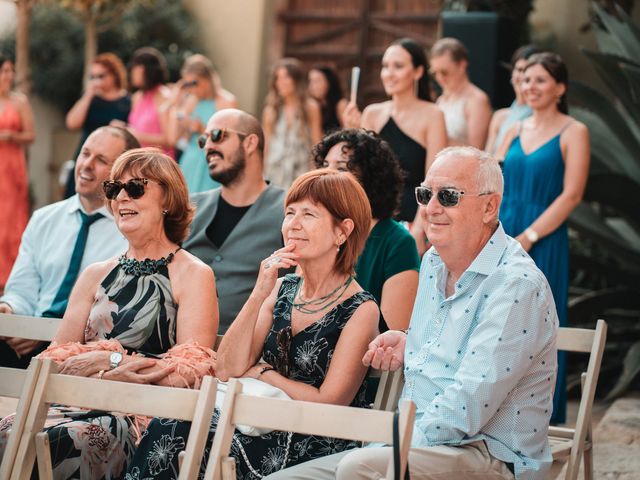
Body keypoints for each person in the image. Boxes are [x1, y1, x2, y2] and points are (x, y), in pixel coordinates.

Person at [266, 146, 558, 480]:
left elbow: (467, 408)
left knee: (356, 468)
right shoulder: (434, 261)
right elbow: (449, 349)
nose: (431, 208)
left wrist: (387, 440)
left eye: (448, 196)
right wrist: (409, 341)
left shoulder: (516, 286)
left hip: (488, 453)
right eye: (425, 194)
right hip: (411, 441)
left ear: (489, 206)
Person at [129, 168, 379, 479]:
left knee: (191, 436)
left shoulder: (361, 308)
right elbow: (227, 368)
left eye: (309, 214)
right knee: (171, 424)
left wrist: (263, 372)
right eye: (289, 213)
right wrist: (259, 292)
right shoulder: (281, 289)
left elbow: (330, 402)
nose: (293, 225)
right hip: (258, 422)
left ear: (342, 231)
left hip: (314, 439)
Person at [0, 148, 219, 480]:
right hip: (71, 405)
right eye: (114, 188)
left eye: (136, 188)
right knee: (8, 434)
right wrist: (104, 370)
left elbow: (191, 368)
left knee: (59, 443)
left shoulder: (193, 273)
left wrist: (110, 361)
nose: (121, 198)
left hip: (137, 417)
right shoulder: (96, 273)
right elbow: (56, 357)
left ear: (167, 200)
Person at [496, 52, 590, 424]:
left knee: (541, 323)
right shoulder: (512, 129)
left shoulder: (574, 131)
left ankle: (539, 421)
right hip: (506, 233)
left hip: (544, 237)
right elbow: (497, 182)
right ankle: (500, 413)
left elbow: (572, 195)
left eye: (540, 80)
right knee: (500, 319)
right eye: (525, 79)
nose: (529, 86)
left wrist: (531, 236)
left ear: (560, 88)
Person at [0, 126, 139, 369]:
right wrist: (11, 309)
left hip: (88, 351)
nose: (86, 164)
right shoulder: (44, 218)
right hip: (23, 341)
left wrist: (48, 334)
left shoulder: (131, 232)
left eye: (101, 160)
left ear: (124, 175)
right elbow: (22, 290)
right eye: (85, 154)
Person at [183, 108, 287, 333]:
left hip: (249, 354)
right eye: (204, 140)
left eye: (218, 135)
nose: (209, 146)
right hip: (179, 346)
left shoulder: (289, 210)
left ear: (250, 143)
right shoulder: (189, 208)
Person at [343, 38, 447, 251]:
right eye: (385, 66)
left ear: (418, 72)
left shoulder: (433, 115)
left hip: (410, 219)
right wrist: (351, 133)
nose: (389, 73)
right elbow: (357, 173)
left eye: (398, 66)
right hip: (369, 219)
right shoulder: (372, 113)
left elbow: (433, 180)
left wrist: (419, 230)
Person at [313, 128, 419, 331]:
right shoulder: (317, 229)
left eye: (342, 168)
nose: (327, 174)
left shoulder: (397, 242)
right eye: (325, 165)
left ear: (371, 177)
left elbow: (390, 336)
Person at [167, 54, 237, 193]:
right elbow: (173, 138)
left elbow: (231, 139)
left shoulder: (226, 101)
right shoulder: (190, 101)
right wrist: (176, 104)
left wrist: (202, 129)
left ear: (207, 80)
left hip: (214, 162)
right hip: (191, 161)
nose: (191, 89)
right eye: (188, 84)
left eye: (194, 83)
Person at [65, 52, 131, 197]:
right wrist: (88, 95)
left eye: (101, 76)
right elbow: (71, 123)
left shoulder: (127, 101)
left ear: (114, 75)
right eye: (93, 77)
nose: (96, 81)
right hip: (88, 152)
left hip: (110, 159)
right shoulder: (90, 98)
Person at [0, 53, 34, 290]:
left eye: (11, 70)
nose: (9, 75)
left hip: (11, 167)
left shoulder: (19, 101)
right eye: (4, 70)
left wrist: (12, 136)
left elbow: (31, 135)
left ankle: (8, 279)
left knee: (9, 221)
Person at [262, 57, 323, 189]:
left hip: (300, 171)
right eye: (277, 78)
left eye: (285, 77)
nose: (280, 82)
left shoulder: (310, 107)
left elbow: (316, 141)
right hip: (274, 172)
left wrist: (313, 173)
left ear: (296, 80)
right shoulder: (271, 110)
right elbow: (266, 144)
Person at [430, 37, 492, 148]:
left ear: (462, 65)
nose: (439, 78)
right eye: (435, 73)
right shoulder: (441, 99)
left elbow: (476, 151)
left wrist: (436, 136)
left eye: (444, 72)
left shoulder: (477, 100)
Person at [119, 46, 175, 157]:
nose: (132, 73)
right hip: (138, 160)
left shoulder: (164, 97)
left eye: (134, 69)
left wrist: (134, 134)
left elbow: (169, 140)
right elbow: (135, 128)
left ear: (143, 69)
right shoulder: (137, 97)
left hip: (159, 162)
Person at [485, 45, 540, 154]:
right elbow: (488, 159)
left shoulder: (541, 118)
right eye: (519, 70)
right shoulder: (499, 117)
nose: (523, 76)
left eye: (528, 71)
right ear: (512, 73)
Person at [308, 65, 348, 134]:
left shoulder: (341, 104)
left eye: (317, 81)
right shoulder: (311, 105)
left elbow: (349, 132)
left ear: (329, 82)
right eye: (311, 81)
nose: (313, 85)